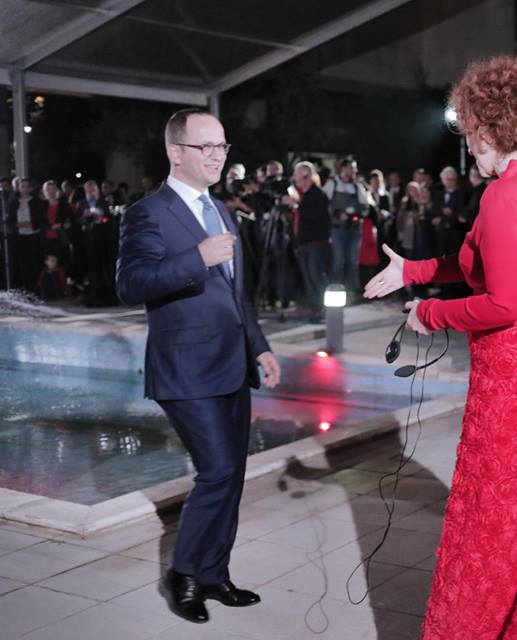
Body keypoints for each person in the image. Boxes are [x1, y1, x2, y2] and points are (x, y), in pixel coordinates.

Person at [364, 55, 517, 639]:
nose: (469, 145)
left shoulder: (502, 197)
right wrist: (413, 271)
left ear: (493, 126)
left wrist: (430, 313)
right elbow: (484, 261)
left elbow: (502, 302)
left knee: (494, 514)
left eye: (471, 131)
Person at [116, 108, 281, 624]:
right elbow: (130, 284)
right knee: (218, 470)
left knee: (233, 474)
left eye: (222, 146)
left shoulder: (222, 210)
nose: (217, 157)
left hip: (232, 363)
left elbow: (236, 294)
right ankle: (183, 574)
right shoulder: (148, 213)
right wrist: (197, 259)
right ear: (176, 151)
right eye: (205, 146)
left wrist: (259, 347)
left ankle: (214, 574)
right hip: (184, 367)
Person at [284, 161, 330, 321]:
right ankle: (314, 307)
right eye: (298, 176)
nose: (300, 180)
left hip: (316, 243)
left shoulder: (318, 194)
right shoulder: (300, 195)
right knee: (308, 278)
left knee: (316, 277)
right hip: (302, 242)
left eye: (304, 176)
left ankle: (325, 308)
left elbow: (315, 216)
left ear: (310, 176)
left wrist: (296, 205)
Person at [322, 157, 366, 297]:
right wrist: (337, 214)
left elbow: (365, 207)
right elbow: (323, 204)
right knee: (338, 260)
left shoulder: (358, 187)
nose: (353, 171)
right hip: (337, 229)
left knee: (352, 261)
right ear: (343, 168)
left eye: (354, 168)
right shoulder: (332, 184)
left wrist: (356, 214)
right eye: (351, 168)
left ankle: (352, 292)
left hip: (354, 229)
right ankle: (335, 290)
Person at [6, 178, 46, 291]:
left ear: (30, 188)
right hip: (19, 236)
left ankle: (36, 286)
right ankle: (25, 286)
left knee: (35, 261)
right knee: (22, 262)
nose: (25, 189)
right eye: (22, 186)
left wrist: (32, 224)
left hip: (34, 235)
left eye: (27, 186)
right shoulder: (13, 202)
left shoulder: (36, 201)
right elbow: (9, 220)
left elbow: (41, 218)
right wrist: (16, 225)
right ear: (18, 188)